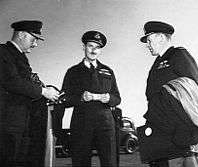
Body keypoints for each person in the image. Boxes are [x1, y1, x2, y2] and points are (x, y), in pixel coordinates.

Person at [139, 21, 198, 167]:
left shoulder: (178, 55)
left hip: (177, 134)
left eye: (150, 40)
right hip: (159, 134)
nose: (148, 45)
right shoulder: (157, 63)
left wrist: (184, 131)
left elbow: (193, 89)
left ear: (161, 38)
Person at [0, 20, 60, 167]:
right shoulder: (3, 52)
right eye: (33, 39)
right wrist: (43, 91)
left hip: (21, 123)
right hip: (7, 123)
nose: (35, 44)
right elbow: (12, 82)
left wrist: (46, 88)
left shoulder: (19, 56)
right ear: (21, 35)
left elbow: (26, 82)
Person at [61, 30, 121, 167]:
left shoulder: (108, 71)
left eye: (97, 47)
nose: (94, 50)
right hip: (82, 123)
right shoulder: (73, 72)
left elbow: (117, 98)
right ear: (84, 47)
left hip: (106, 124)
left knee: (110, 162)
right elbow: (64, 98)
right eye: (90, 46)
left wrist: (109, 98)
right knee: (81, 162)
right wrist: (81, 98)